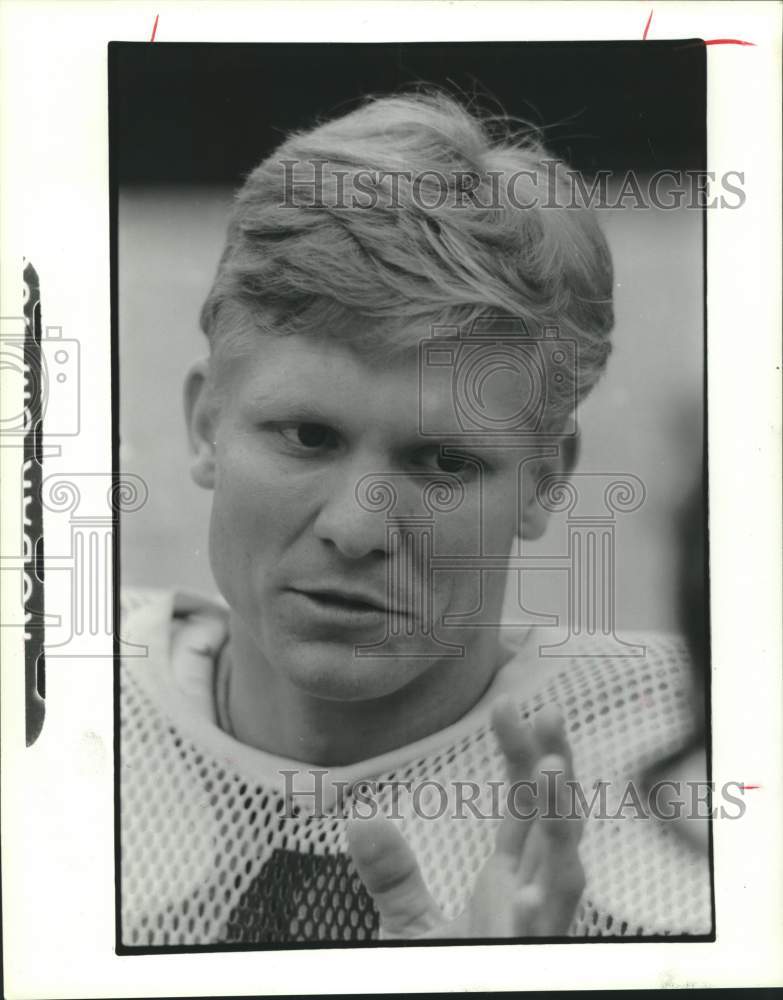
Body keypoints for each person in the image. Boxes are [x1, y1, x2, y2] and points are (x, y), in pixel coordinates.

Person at [120, 90, 711, 945]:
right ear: (205, 423)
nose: (357, 530)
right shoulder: (51, 717)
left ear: (546, 481)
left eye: (444, 463)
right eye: (308, 436)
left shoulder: (694, 763)